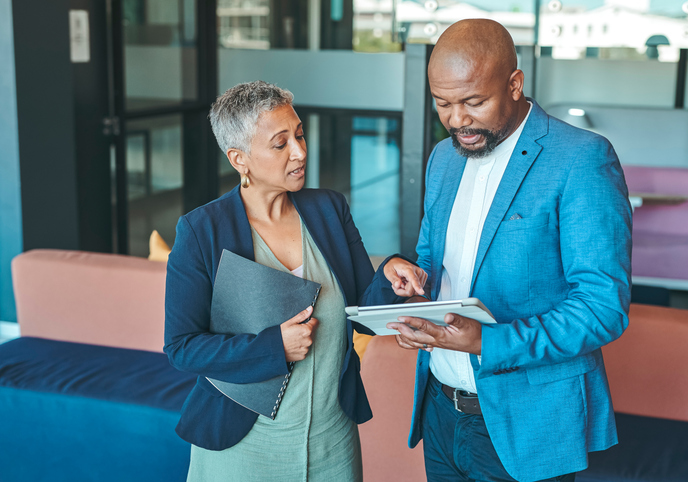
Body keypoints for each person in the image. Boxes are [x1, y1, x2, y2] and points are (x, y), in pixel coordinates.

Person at [386, 19, 632, 482]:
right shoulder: (443, 159)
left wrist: (487, 341)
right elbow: (431, 261)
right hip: (440, 409)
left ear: (515, 84)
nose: (457, 119)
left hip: (529, 422)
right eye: (443, 103)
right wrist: (409, 280)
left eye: (473, 102)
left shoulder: (581, 159)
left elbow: (603, 307)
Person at [164, 81, 426, 482]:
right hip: (244, 447)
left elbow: (361, 310)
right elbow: (182, 348)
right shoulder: (202, 231)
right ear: (240, 159)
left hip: (332, 442)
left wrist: (390, 272)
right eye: (280, 143)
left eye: (300, 135)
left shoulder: (328, 209)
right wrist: (274, 347)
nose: (300, 152)